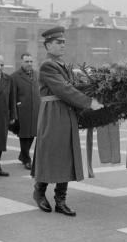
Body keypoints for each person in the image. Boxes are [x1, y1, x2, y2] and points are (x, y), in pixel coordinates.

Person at [32, 26, 103, 217]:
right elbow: (64, 89)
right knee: (51, 152)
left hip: (66, 112)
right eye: (58, 42)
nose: (62, 45)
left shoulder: (63, 65)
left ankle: (60, 200)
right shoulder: (48, 65)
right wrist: (89, 102)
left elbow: (73, 88)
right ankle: (39, 191)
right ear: (47, 45)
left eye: (63, 42)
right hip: (53, 114)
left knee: (66, 154)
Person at [11, 53, 40, 170]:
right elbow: (12, 96)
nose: (29, 64)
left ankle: (22, 155)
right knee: (23, 136)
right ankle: (27, 159)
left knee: (32, 134)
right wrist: (14, 112)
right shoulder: (15, 76)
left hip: (36, 110)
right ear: (21, 62)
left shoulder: (37, 75)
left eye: (31, 61)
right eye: (26, 61)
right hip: (22, 111)